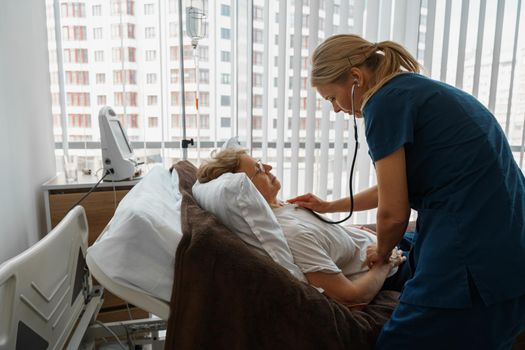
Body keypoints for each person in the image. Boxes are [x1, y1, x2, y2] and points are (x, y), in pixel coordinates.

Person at [288, 34, 525, 348]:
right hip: (508, 237)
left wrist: (382, 253)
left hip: (476, 249)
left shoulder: (384, 103)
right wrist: (330, 205)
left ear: (356, 78)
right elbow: (392, 189)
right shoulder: (413, 89)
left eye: (331, 97)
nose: (334, 109)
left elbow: (393, 213)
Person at [197, 148, 413, 307]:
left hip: (389, 244)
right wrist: (385, 261)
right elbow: (351, 298)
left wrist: (352, 230)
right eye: (259, 170)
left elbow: (327, 241)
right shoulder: (292, 234)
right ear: (248, 190)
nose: (269, 168)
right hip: (397, 269)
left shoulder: (285, 206)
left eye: (261, 163)